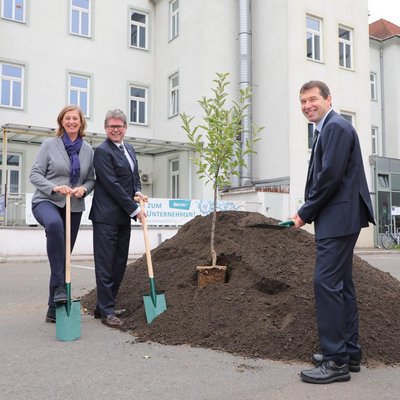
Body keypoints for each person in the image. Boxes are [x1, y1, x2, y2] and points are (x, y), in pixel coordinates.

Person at [293, 81, 375, 384]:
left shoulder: (336, 127)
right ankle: (349, 352)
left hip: (338, 217)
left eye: (312, 99)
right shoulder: (328, 129)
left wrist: (303, 213)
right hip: (339, 216)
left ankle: (335, 360)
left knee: (325, 282)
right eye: (302, 101)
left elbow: (329, 177)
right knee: (342, 284)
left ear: (328, 99)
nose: (306, 105)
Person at [30, 105, 95, 323]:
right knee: (55, 226)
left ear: (81, 122)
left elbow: (92, 179)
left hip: (73, 206)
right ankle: (60, 287)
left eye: (75, 118)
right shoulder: (49, 145)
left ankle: (52, 310)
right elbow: (35, 174)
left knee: (63, 256)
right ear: (61, 122)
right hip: (46, 200)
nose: (71, 122)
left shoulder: (88, 150)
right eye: (67, 118)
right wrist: (53, 187)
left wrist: (83, 189)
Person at [89, 109, 146, 328]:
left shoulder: (129, 149)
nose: (115, 129)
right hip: (106, 217)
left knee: (119, 263)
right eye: (111, 126)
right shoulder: (102, 151)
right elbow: (112, 184)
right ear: (105, 128)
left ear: (125, 128)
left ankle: (105, 304)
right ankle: (106, 312)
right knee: (105, 264)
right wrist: (134, 209)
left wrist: (138, 192)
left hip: (123, 217)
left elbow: (134, 178)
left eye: (119, 126)